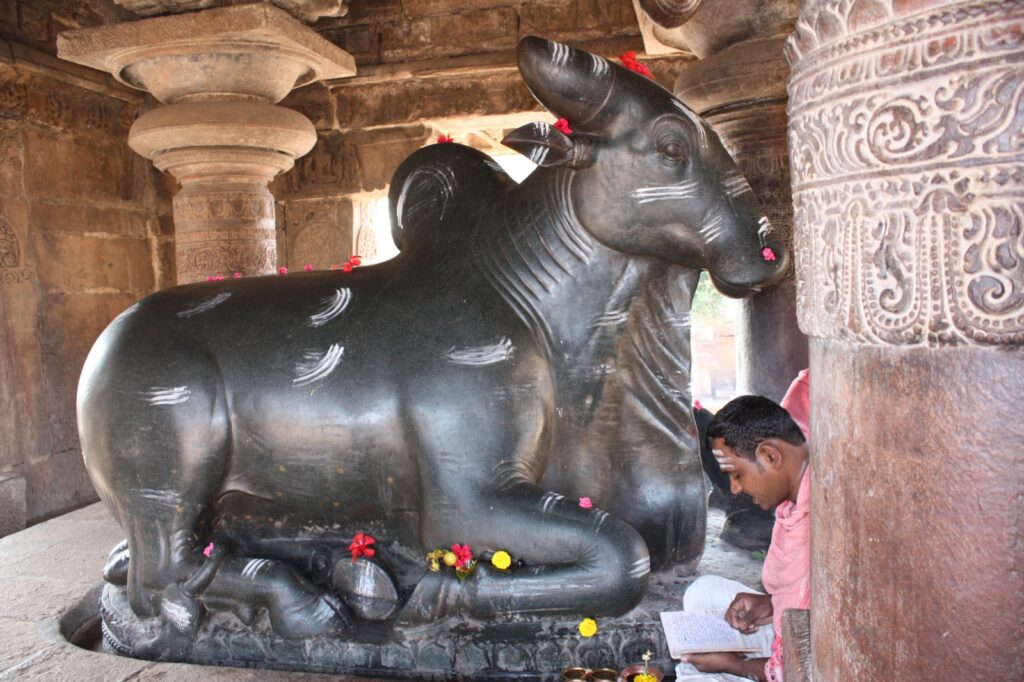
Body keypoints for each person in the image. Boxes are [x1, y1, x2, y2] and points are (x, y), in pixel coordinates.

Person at [677, 395, 810, 682]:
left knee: (700, 670)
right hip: (793, 632)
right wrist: (770, 604)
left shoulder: (825, 518)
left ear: (770, 456)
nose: (735, 488)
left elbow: (805, 666)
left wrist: (734, 665)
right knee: (703, 592)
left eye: (737, 474)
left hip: (811, 660)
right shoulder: (796, 497)